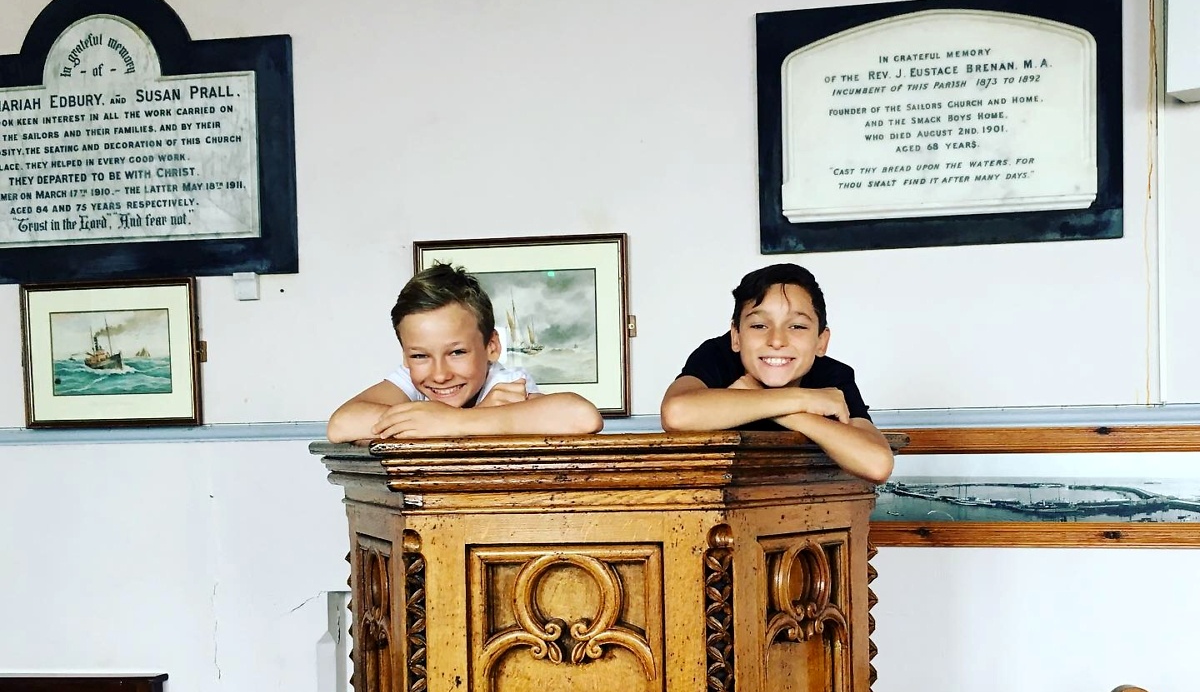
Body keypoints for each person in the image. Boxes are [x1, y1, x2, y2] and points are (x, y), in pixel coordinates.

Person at [660, 263, 893, 483]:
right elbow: (676, 414)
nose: (777, 340)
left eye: (797, 326)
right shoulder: (717, 355)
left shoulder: (832, 375)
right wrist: (803, 399)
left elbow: (877, 464)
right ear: (736, 336)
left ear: (821, 341)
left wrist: (788, 413)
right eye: (759, 326)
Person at [327, 263, 604, 442]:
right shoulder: (412, 378)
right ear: (405, 357)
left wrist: (453, 422)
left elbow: (582, 417)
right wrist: (462, 420)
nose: (440, 374)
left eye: (457, 352)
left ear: (491, 347)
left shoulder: (506, 384)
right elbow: (341, 424)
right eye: (420, 356)